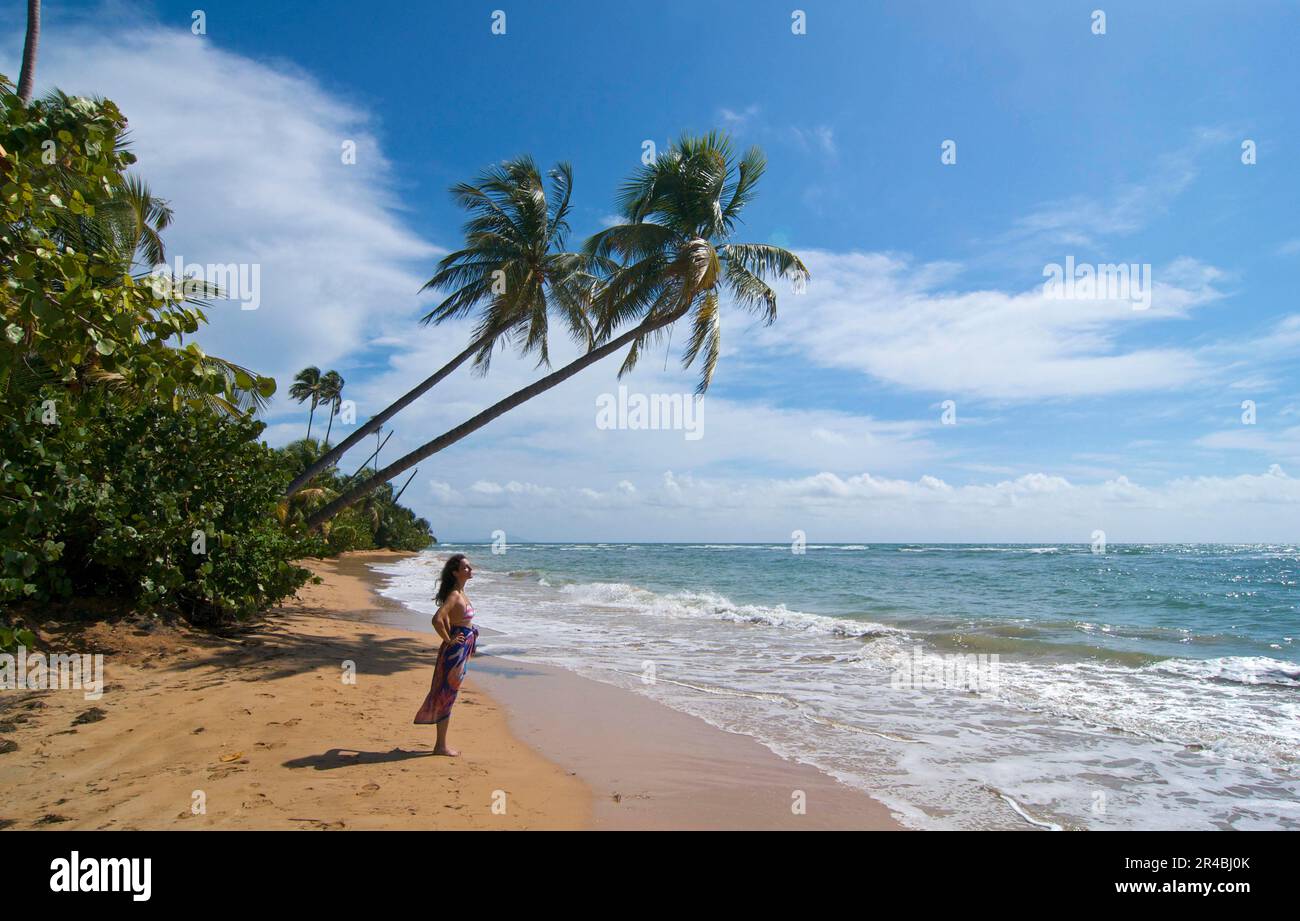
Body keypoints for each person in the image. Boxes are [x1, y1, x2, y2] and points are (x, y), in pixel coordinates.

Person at [413, 554, 478, 756]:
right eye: (466, 567)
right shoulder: (455, 596)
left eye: (469, 567)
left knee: (448, 694)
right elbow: (437, 619)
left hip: (460, 649)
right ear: (455, 572)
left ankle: (440, 744)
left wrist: (459, 635)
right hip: (454, 651)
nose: (470, 569)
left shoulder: (460, 593)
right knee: (446, 695)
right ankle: (440, 746)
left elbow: (453, 620)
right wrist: (449, 640)